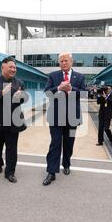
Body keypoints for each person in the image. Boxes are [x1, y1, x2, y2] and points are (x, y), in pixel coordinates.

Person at [43, 52, 86, 186]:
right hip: (56, 117)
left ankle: (66, 164)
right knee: (55, 143)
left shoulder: (79, 77)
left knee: (69, 142)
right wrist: (59, 88)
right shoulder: (53, 76)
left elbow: (84, 94)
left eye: (66, 61)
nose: (63, 63)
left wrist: (71, 88)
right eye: (61, 61)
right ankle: (51, 171)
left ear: (71, 62)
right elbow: (47, 93)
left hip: (73, 118)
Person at [0, 57, 28, 183]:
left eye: (14, 67)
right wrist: (2, 92)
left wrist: (21, 96)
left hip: (13, 122)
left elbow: (25, 98)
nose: (13, 69)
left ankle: (10, 172)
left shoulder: (19, 83)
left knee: (11, 149)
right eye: (11, 67)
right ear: (3, 67)